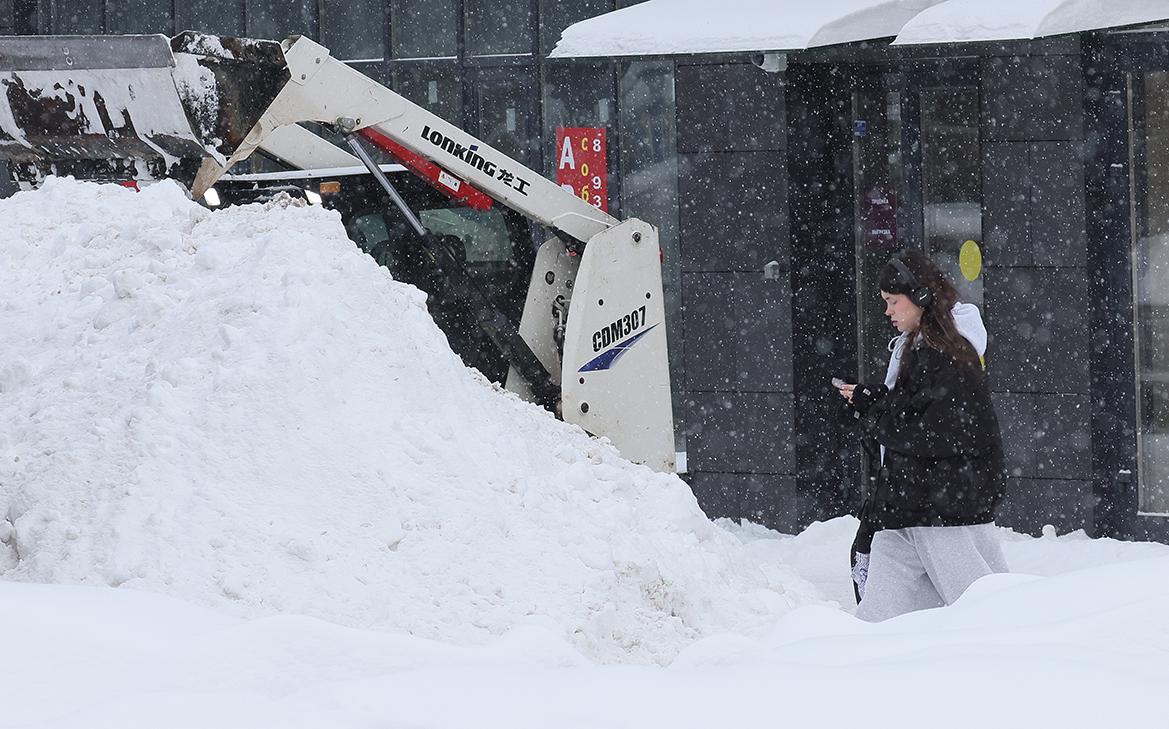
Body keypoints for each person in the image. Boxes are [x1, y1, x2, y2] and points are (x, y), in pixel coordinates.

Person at [835, 250, 1007, 621]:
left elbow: (928, 432)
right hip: (913, 506)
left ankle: (1035, 654)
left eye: (893, 302)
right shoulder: (923, 349)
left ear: (922, 297)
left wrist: (874, 412)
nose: (888, 312)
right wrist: (875, 399)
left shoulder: (947, 355)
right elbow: (916, 412)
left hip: (942, 508)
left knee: (985, 612)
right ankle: (862, 657)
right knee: (881, 616)